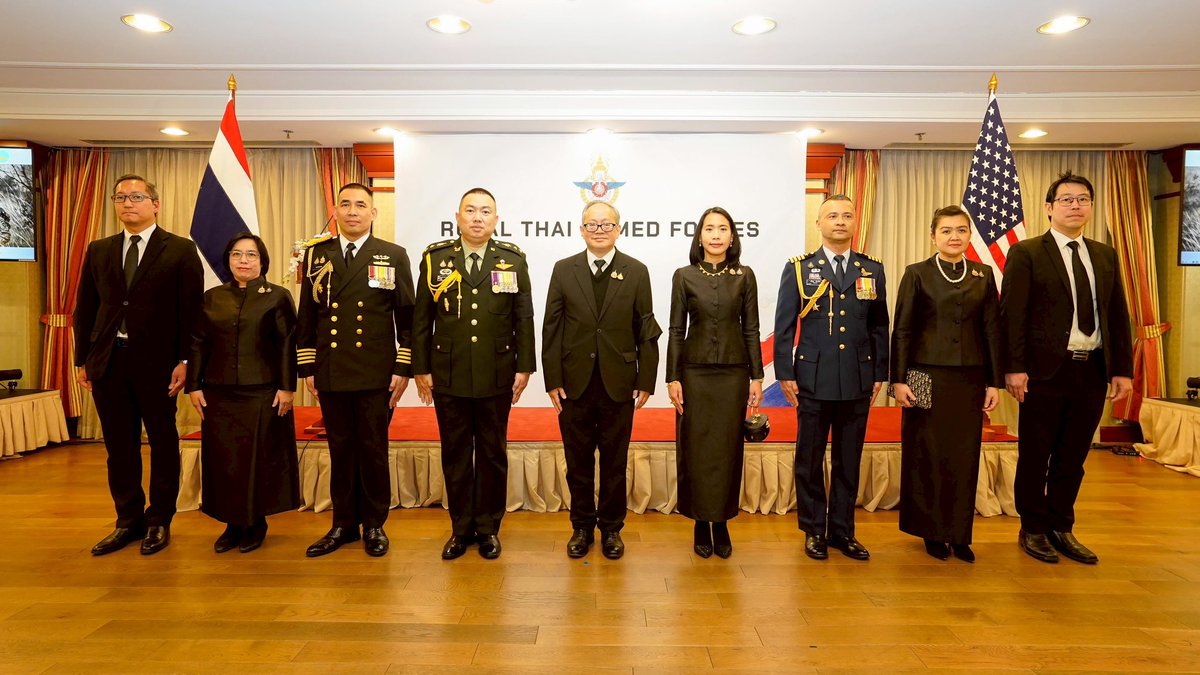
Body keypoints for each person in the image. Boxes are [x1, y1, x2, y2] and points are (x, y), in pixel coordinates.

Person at [1001, 172, 1133, 565]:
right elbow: (1013, 315)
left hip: (1090, 370)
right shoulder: (1027, 253)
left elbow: (1117, 315)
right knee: (1035, 452)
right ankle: (1033, 528)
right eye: (1066, 200)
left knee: (1073, 456)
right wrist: (1014, 367)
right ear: (1049, 208)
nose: (1075, 206)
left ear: (1091, 207)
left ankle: (1062, 526)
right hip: (1043, 372)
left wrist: (1121, 369)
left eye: (1083, 199)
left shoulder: (1105, 254)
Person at [74, 174, 204, 556]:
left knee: (163, 442)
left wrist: (185, 360)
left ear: (155, 204)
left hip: (159, 364)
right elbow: (87, 309)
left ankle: (159, 520)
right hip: (109, 362)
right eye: (120, 197)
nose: (128, 203)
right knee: (119, 446)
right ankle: (127, 521)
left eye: (136, 196)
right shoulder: (99, 249)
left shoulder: (180, 249)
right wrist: (83, 357)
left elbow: (191, 312)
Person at [413, 187, 536, 560]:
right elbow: (422, 319)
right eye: (471, 210)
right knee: (455, 453)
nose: (478, 217)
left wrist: (524, 366)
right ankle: (460, 528)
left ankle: (488, 528)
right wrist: (421, 367)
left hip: (496, 372)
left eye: (485, 212)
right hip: (448, 373)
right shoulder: (436, 259)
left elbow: (523, 317)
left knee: (492, 453)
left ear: (496, 220)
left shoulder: (512, 260)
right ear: (458, 216)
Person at [297, 183, 414, 558]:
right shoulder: (318, 255)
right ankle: (344, 524)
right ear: (336, 210)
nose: (352, 211)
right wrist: (308, 366)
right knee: (340, 449)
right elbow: (307, 315)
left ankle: (375, 524)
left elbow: (407, 317)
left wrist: (403, 366)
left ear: (373, 213)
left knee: (373, 449)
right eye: (345, 204)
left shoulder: (392, 255)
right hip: (331, 369)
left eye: (360, 205)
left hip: (375, 371)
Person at [542, 200, 660, 560]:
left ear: (618, 229)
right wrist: (552, 379)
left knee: (614, 462)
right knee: (577, 461)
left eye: (606, 224)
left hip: (619, 382)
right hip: (573, 383)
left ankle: (611, 529)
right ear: (581, 229)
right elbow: (552, 327)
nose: (599, 230)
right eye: (592, 225)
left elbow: (647, 330)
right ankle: (581, 527)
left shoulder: (636, 271)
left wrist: (647, 380)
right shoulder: (564, 269)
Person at [773, 194, 888, 561]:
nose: (840, 221)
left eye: (847, 215)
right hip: (812, 377)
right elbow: (785, 325)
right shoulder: (799, 268)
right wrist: (785, 373)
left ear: (856, 223)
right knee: (809, 458)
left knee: (848, 458)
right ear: (819, 224)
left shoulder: (872, 269)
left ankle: (841, 531)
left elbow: (879, 325)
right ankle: (813, 531)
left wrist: (879, 373)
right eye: (832, 216)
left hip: (857, 378)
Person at [890, 205, 1003, 563]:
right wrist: (898, 379)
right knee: (927, 455)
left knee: (963, 456)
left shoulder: (983, 275)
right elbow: (903, 330)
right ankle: (931, 532)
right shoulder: (917, 274)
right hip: (925, 376)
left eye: (961, 230)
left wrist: (993, 382)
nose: (954, 237)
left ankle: (959, 533)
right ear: (933, 236)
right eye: (946, 231)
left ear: (970, 235)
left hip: (970, 378)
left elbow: (991, 331)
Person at [186, 233, 300, 554]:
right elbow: (198, 344)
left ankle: (255, 523)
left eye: (251, 255)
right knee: (225, 462)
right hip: (219, 394)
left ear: (262, 260)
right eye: (237, 255)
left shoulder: (276, 296)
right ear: (228, 261)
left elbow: (287, 344)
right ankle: (231, 524)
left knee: (257, 461)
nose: (244, 261)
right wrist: (194, 385)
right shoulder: (212, 297)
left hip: (262, 392)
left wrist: (287, 387)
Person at [667, 206, 763, 559]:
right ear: (700, 236)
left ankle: (721, 521)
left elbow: (751, 328)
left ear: (733, 237)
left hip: (734, 374)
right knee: (695, 446)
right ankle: (698, 521)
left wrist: (757, 376)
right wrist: (672, 377)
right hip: (693, 373)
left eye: (723, 228)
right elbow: (676, 330)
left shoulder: (745, 276)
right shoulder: (684, 276)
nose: (717, 234)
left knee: (727, 449)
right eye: (710, 228)